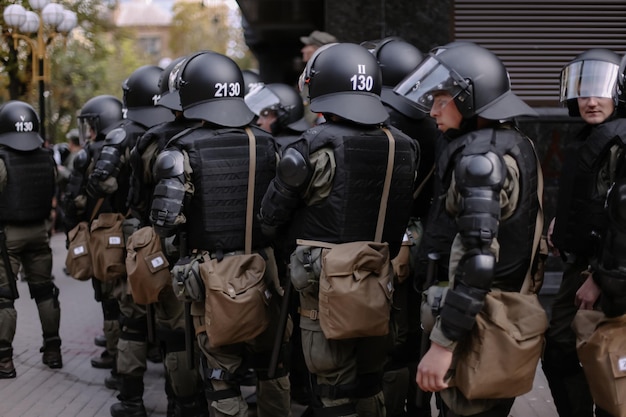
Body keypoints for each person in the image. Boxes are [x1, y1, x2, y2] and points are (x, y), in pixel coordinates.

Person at [259, 42, 420, 417]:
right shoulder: (404, 145)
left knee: (333, 388)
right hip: (381, 277)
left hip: (324, 285)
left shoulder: (313, 147)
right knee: (369, 381)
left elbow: (270, 217)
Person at [395, 42, 542, 417]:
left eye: (441, 100)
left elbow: (478, 261)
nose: (432, 111)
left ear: (469, 98)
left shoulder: (481, 162)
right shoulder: (513, 144)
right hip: (488, 318)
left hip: (475, 327)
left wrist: (444, 345)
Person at [149, 50, 292, 417]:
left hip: (212, 276)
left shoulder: (181, 149)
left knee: (219, 374)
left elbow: (165, 221)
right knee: (272, 367)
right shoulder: (270, 144)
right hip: (265, 271)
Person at [85, 65, 175, 417]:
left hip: (135, 236)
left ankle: (131, 399)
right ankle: (184, 402)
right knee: (175, 323)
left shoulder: (122, 135)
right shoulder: (184, 132)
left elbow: (99, 183)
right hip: (176, 238)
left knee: (133, 319)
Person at [543, 48, 625, 417]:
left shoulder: (619, 142)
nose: (591, 101)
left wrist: (600, 279)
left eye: (601, 92)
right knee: (560, 354)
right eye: (584, 91)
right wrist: (563, 223)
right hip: (580, 268)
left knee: (606, 361)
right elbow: (592, 199)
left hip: (606, 274)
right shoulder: (591, 137)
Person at [364, 36, 441, 417]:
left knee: (393, 336)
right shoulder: (432, 119)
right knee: (413, 330)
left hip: (393, 239)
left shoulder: (388, 122)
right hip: (424, 236)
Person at [127, 55, 208, 417]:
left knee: (173, 329)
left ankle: (181, 402)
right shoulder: (228, 136)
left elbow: (138, 200)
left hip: (167, 246)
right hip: (216, 252)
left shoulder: (151, 140)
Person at [245, 81, 313, 407]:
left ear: (284, 114)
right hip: (297, 251)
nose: (260, 119)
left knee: (289, 326)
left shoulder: (287, 148)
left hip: (287, 249)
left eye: (267, 113)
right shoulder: (293, 143)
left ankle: (295, 387)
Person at [62, 94, 125, 375]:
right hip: (133, 233)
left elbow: (73, 201)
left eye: (91, 125)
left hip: (102, 235)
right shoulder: (135, 143)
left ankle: (115, 356)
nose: (88, 131)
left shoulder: (91, 155)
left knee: (109, 300)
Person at [0, 100, 59, 378]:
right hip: (39, 233)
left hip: (7, 236)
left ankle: (4, 362)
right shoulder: (47, 157)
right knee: (45, 292)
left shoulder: (1, 160)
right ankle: (53, 350)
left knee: (3, 299)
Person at [299, 30, 338, 126]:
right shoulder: (311, 72)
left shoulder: (327, 75)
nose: (303, 50)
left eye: (307, 46)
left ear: (319, 49)